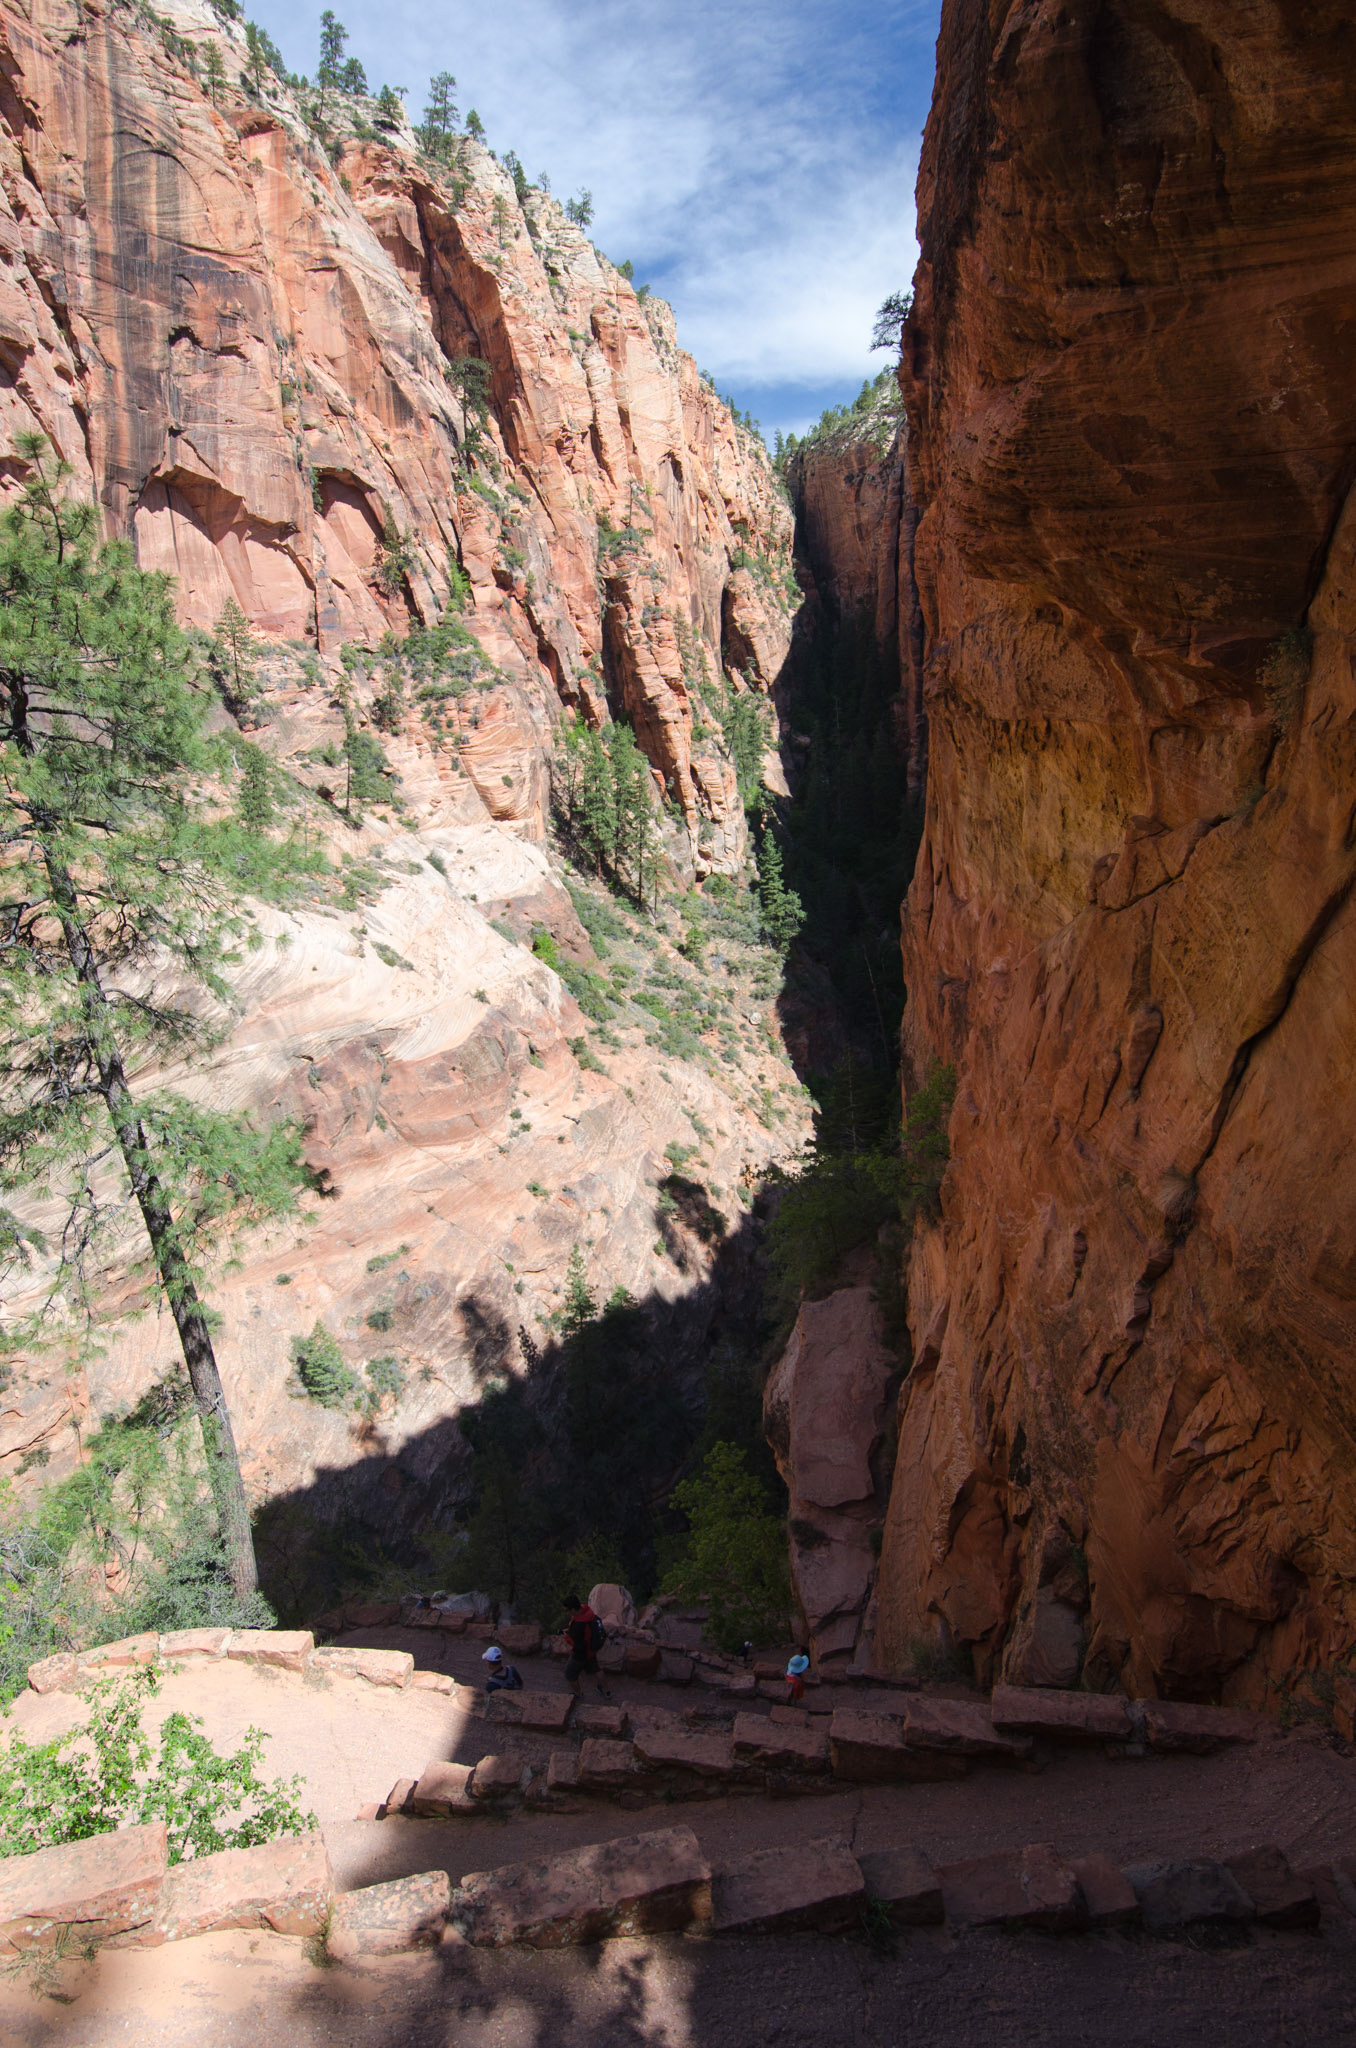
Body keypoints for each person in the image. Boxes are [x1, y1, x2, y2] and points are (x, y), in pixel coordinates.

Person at [563, 1592, 612, 1699]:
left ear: (573, 1609)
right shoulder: (588, 1613)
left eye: (567, 1610)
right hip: (591, 1650)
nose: (567, 1612)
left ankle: (578, 1694)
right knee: (596, 1670)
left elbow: (577, 1645)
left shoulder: (578, 1624)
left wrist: (567, 1638)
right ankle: (607, 1691)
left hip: (581, 1654)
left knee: (569, 1674)